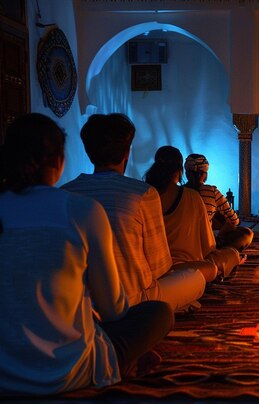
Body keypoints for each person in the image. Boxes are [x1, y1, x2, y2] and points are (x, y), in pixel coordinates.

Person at [0, 113, 173, 395]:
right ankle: (119, 363)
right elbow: (113, 310)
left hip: (4, 376)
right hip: (70, 372)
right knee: (159, 313)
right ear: (58, 160)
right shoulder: (81, 210)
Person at [62, 114, 211, 312]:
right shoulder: (142, 193)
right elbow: (160, 268)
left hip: (81, 303)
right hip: (135, 300)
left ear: (89, 151)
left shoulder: (65, 193)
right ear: (126, 153)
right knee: (201, 273)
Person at [145, 146, 242, 280]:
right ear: (179, 171)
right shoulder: (193, 196)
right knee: (231, 254)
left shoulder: (145, 195)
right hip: (184, 270)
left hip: (150, 270)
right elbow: (209, 248)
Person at [183, 153, 253, 252]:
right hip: (207, 246)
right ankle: (223, 257)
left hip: (181, 245)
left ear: (186, 173)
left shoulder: (178, 192)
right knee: (247, 233)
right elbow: (234, 220)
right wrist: (220, 234)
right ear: (205, 174)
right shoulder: (211, 191)